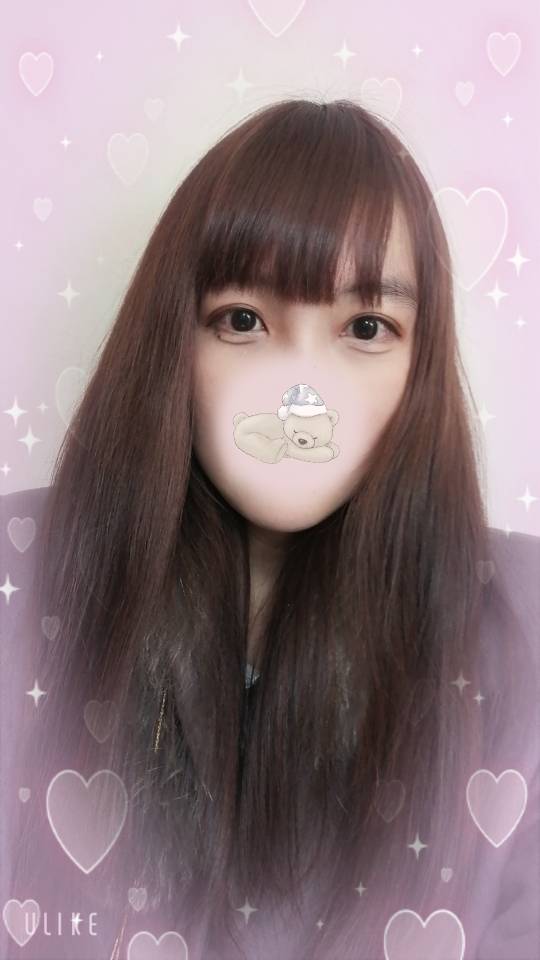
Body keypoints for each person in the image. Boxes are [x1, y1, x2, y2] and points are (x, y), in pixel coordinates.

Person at [1, 98, 539, 960]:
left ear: (421, 362)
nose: (301, 395)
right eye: (243, 320)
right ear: (174, 340)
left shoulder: (519, 623)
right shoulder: (20, 577)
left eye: (367, 328)